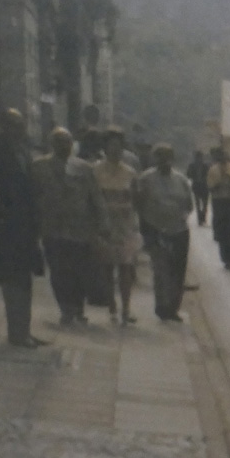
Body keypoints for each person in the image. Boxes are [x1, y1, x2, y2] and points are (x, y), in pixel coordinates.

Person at [0, 109, 50, 347]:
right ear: (4, 126)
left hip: (25, 224)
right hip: (4, 225)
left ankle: (24, 329)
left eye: (21, 124)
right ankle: (17, 333)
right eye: (14, 125)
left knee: (24, 278)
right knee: (12, 277)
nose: (19, 129)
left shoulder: (24, 152)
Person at [32, 127, 110, 327]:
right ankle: (65, 308)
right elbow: (32, 196)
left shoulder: (83, 167)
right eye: (59, 142)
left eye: (67, 141)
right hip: (53, 228)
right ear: (52, 144)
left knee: (79, 270)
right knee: (58, 270)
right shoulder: (39, 167)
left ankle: (78, 307)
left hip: (80, 228)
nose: (64, 146)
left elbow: (96, 197)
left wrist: (103, 224)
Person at [135, 144, 195, 321]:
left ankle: (173, 308)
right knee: (161, 270)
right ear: (155, 159)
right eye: (160, 157)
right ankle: (161, 306)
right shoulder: (146, 179)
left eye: (167, 156)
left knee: (177, 271)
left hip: (178, 230)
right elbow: (139, 204)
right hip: (155, 229)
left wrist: (179, 217)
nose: (164, 160)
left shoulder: (181, 180)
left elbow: (188, 205)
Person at [95, 129, 143, 325]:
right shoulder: (95, 171)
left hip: (125, 225)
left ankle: (126, 307)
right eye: (111, 146)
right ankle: (111, 304)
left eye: (118, 147)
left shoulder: (130, 173)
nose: (115, 150)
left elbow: (137, 199)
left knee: (126, 267)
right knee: (107, 268)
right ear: (105, 148)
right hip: (104, 224)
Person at [206, 147, 230, 269]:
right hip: (219, 201)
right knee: (222, 231)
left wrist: (229, 178)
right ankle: (226, 259)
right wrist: (218, 183)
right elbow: (210, 186)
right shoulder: (213, 169)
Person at [187, 150, 211, 226]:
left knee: (204, 204)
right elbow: (188, 174)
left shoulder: (206, 166)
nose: (199, 159)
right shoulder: (191, 166)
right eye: (197, 157)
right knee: (197, 204)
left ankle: (203, 218)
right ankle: (199, 219)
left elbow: (209, 175)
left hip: (204, 186)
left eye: (200, 157)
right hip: (196, 186)